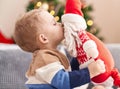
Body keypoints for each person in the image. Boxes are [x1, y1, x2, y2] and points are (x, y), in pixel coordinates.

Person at [14, 9, 105, 89]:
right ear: (44, 38)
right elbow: (64, 81)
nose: (61, 24)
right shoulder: (44, 58)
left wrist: (78, 58)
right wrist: (90, 72)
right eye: (54, 23)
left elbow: (69, 72)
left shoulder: (51, 55)